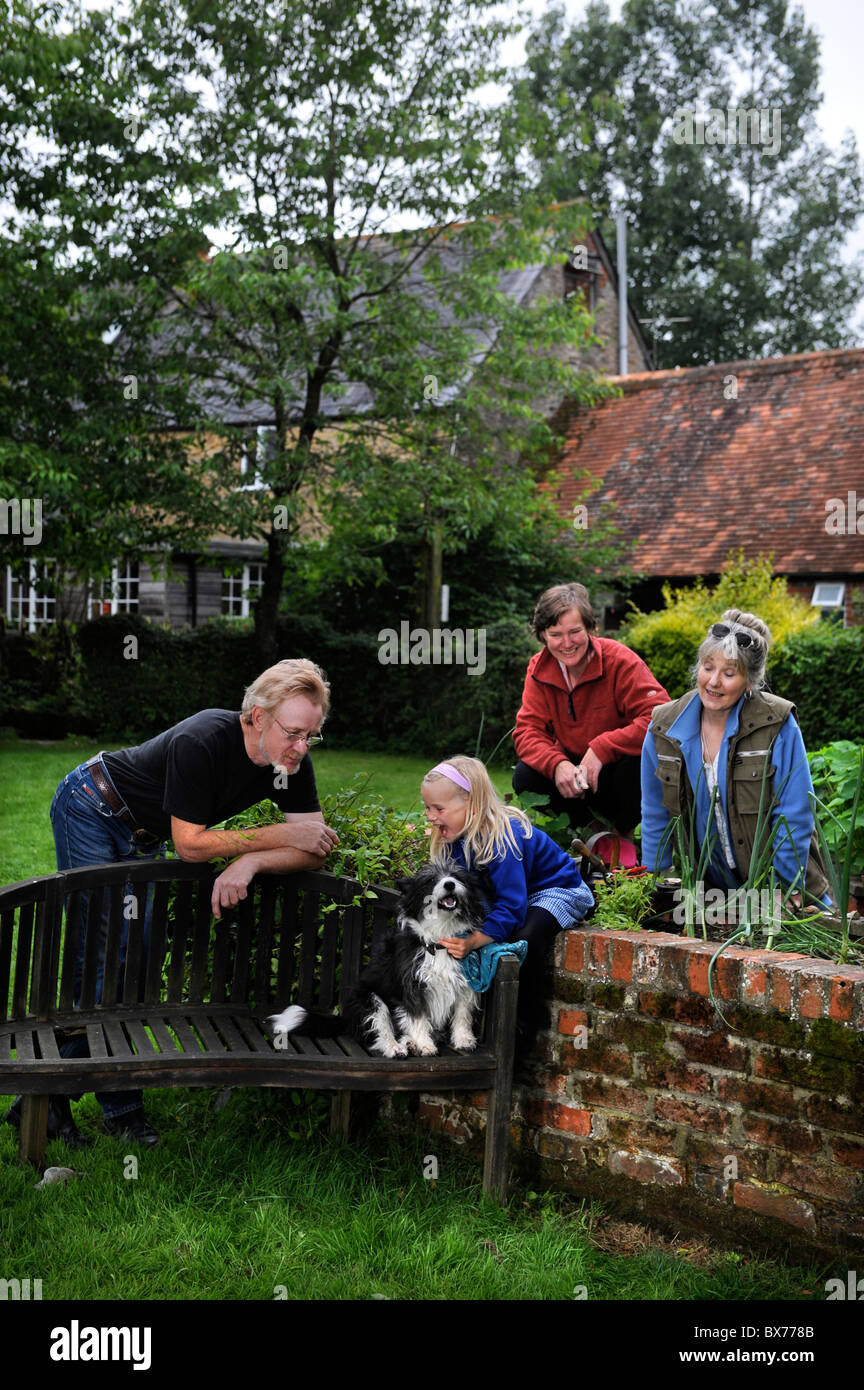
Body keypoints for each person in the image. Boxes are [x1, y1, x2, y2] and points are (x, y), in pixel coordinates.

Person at [5, 658, 338, 1149]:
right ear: (257, 717)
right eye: (293, 733)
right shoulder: (202, 741)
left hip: (143, 837)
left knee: (135, 963)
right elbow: (191, 844)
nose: (301, 747)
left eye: (312, 736)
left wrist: (251, 864)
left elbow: (315, 847)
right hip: (93, 807)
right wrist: (281, 833)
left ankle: (49, 1100)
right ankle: (116, 1109)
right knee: (101, 957)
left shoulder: (289, 763)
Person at [640, 610, 830, 906]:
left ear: (749, 682)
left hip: (781, 891)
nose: (713, 682)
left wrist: (786, 888)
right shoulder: (664, 728)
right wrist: (654, 882)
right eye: (707, 667)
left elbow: (794, 815)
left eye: (729, 674)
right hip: (710, 894)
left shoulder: (776, 723)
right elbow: (655, 812)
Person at [420, 756, 594, 1057]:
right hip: (514, 894)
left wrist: (475, 940)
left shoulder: (503, 840)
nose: (430, 816)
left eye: (439, 809)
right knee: (484, 934)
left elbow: (513, 907)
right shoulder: (454, 839)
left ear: (470, 803)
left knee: (524, 937)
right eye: (427, 808)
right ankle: (465, 1021)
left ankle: (523, 1025)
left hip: (556, 889)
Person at [512, 583, 669, 838]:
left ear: (591, 628)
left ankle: (621, 834)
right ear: (542, 635)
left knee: (643, 762)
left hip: (617, 772)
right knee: (525, 776)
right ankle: (591, 832)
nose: (566, 643)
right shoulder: (539, 669)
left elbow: (661, 718)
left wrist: (602, 747)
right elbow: (527, 732)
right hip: (575, 779)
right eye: (555, 634)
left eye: (574, 632)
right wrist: (557, 764)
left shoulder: (619, 660)